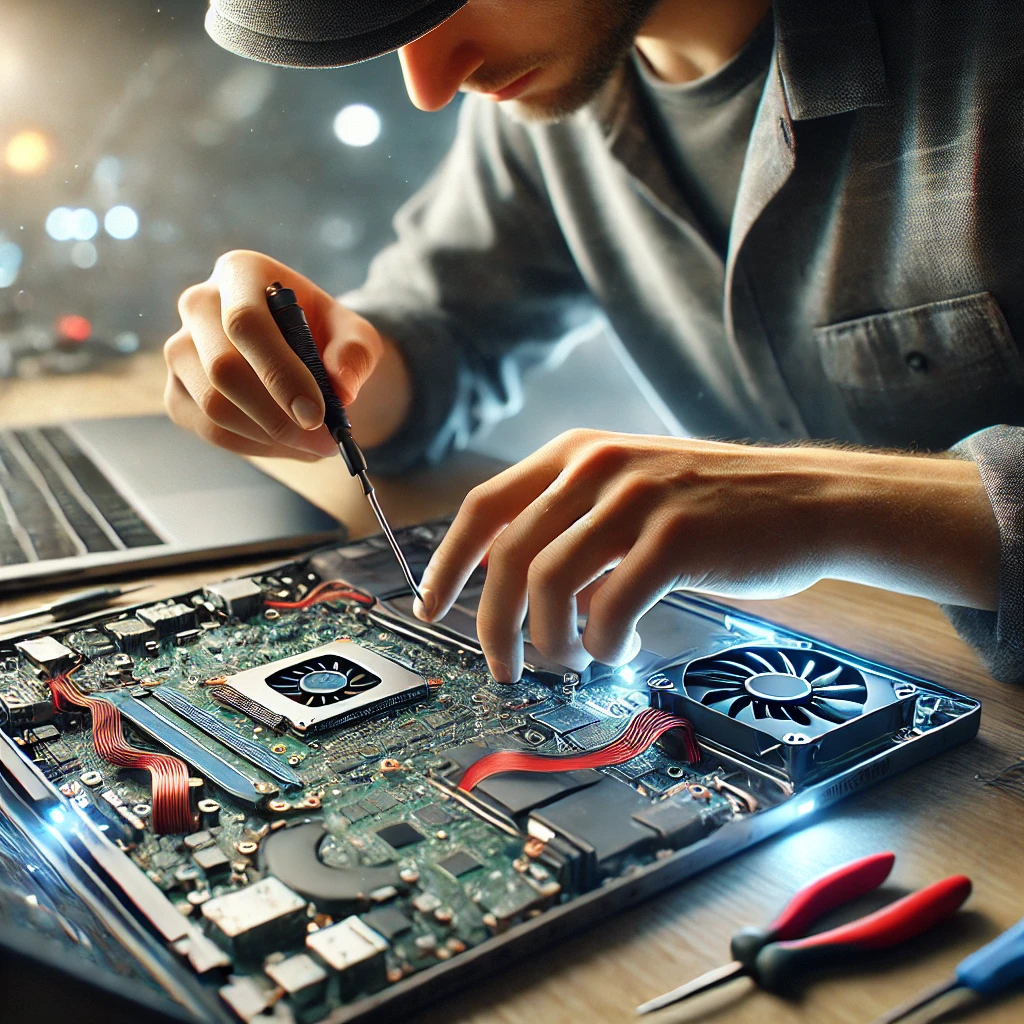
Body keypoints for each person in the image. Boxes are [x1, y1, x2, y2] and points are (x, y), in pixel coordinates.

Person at [164, 0, 1023, 685]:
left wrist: (832, 504)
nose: (429, 81)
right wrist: (332, 368)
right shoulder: (549, 101)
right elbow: (444, 331)